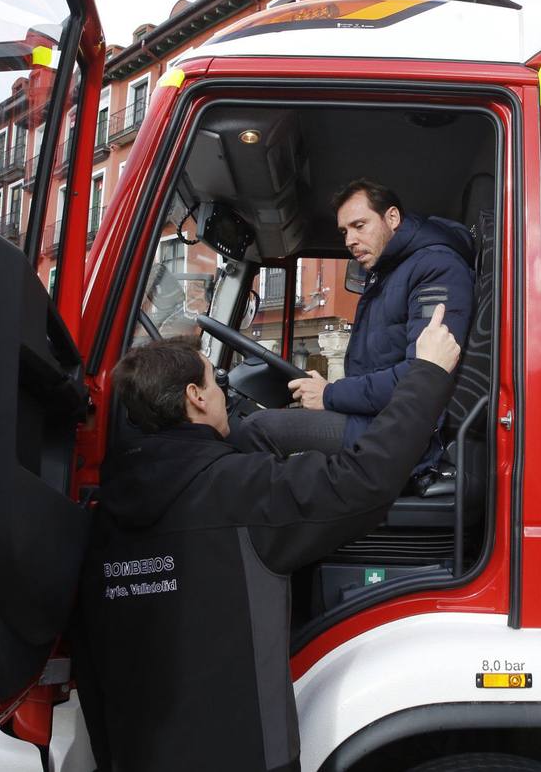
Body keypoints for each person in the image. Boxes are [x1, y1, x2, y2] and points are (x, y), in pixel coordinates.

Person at [73, 305, 462, 771]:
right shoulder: (241, 491)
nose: (222, 394)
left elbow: (92, 671)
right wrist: (428, 374)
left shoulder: (102, 516)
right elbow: (365, 480)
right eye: (217, 384)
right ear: (195, 397)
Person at [235, 179, 473, 471]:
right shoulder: (387, 272)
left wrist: (330, 394)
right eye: (345, 231)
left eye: (359, 226)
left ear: (392, 218)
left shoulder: (436, 268)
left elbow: (422, 374)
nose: (349, 240)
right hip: (380, 418)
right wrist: (331, 391)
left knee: (256, 429)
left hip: (407, 433)